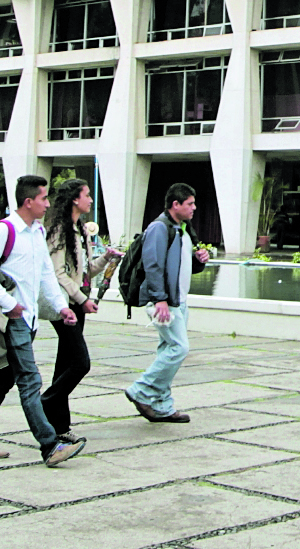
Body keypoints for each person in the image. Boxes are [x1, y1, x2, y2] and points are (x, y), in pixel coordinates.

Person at [0, 174, 85, 467]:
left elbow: (46, 274)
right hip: (11, 318)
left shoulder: (37, 232)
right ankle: (50, 446)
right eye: (43, 198)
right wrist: (9, 304)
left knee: (4, 378)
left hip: (28, 318)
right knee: (30, 380)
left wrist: (61, 307)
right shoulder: (4, 231)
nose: (48, 204)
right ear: (28, 201)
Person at [126, 182, 209, 423]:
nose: (194, 208)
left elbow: (180, 266)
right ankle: (141, 390)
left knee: (168, 349)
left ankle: (162, 406)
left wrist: (198, 260)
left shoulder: (181, 229)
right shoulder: (159, 228)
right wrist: (159, 299)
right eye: (190, 204)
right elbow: (153, 265)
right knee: (179, 348)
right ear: (176, 204)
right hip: (164, 302)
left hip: (178, 300)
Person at [41, 178, 108, 444]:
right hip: (64, 306)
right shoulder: (60, 231)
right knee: (80, 363)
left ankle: (59, 427)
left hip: (75, 305)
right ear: (74, 199)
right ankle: (45, 402)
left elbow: (84, 272)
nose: (90, 200)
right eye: (87, 195)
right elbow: (57, 274)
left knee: (64, 364)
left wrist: (107, 258)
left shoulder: (79, 229)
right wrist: (81, 299)